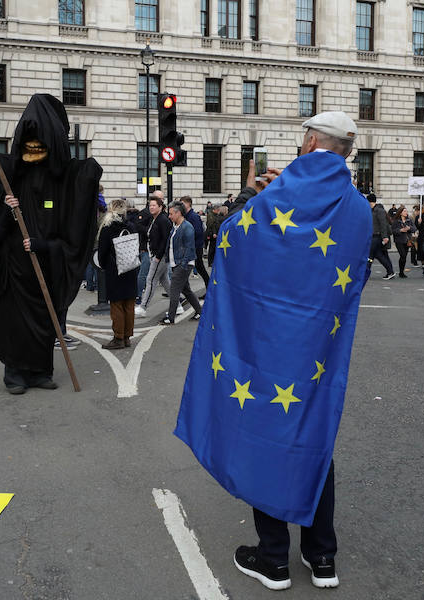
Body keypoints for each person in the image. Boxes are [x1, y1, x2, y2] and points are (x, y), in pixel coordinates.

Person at [175, 111, 371, 591]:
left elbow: (228, 240)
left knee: (266, 437)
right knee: (313, 439)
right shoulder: (359, 207)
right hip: (317, 349)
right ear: (346, 151)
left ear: (308, 141)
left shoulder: (276, 194)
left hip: (265, 345)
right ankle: (322, 557)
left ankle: (273, 558)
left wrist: (251, 194)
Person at [0, 94, 102, 394]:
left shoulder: (60, 184)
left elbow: (70, 236)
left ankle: (40, 371)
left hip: (44, 270)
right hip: (15, 274)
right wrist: (10, 214)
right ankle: (15, 374)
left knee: (44, 322)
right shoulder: (4, 179)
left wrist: (43, 246)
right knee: (15, 325)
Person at [96, 198, 137, 349]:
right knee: (129, 303)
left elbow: (102, 252)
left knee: (117, 304)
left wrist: (104, 264)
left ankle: (118, 338)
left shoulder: (108, 228)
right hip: (131, 268)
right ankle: (127, 337)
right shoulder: (131, 226)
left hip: (115, 270)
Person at [160, 201, 203, 325]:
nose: (169, 216)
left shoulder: (187, 227)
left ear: (178, 213)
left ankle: (171, 317)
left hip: (183, 263)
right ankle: (200, 312)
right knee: (186, 290)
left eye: (171, 214)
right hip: (176, 263)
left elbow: (190, 248)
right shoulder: (175, 226)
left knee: (174, 290)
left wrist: (183, 264)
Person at [134, 196, 173, 317]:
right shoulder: (154, 219)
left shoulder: (163, 220)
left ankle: (143, 307)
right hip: (155, 254)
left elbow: (165, 239)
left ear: (160, 207)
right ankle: (178, 304)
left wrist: (158, 256)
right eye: (150, 205)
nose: (151, 207)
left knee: (150, 280)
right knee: (165, 281)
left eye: (154, 205)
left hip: (159, 256)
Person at [181, 196, 210, 287]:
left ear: (188, 204)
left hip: (195, 247)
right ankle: (179, 289)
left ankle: (209, 287)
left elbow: (198, 232)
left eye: (182, 203)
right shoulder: (186, 216)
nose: (181, 206)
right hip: (190, 247)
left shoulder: (194, 216)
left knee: (200, 268)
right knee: (184, 270)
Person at [368, 194, 395, 280]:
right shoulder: (372, 210)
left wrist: (384, 237)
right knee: (380, 255)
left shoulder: (379, 211)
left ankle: (365, 272)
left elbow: (383, 224)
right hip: (374, 235)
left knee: (371, 254)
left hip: (378, 236)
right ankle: (390, 271)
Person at [392, 206, 416, 278]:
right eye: (404, 211)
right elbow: (392, 231)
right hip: (399, 240)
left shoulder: (409, 220)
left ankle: (401, 272)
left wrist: (409, 228)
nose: (406, 212)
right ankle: (401, 272)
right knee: (402, 255)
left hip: (407, 240)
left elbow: (414, 228)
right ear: (400, 213)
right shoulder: (396, 221)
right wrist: (400, 230)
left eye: (406, 211)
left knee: (404, 257)